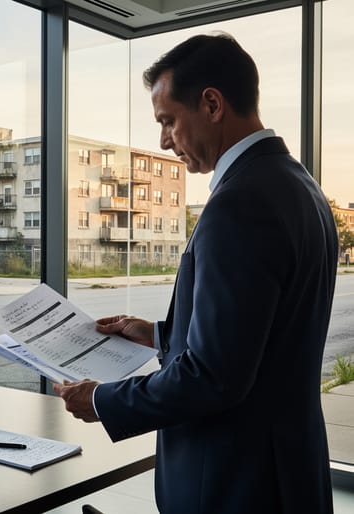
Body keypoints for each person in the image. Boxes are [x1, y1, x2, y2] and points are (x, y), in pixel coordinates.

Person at [53, 33, 338, 513]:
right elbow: (263, 338)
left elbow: (213, 377)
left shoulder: (239, 203)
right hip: (289, 469)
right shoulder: (299, 186)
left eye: (168, 121)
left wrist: (103, 402)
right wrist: (160, 335)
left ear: (211, 104)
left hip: (236, 484)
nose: (164, 140)